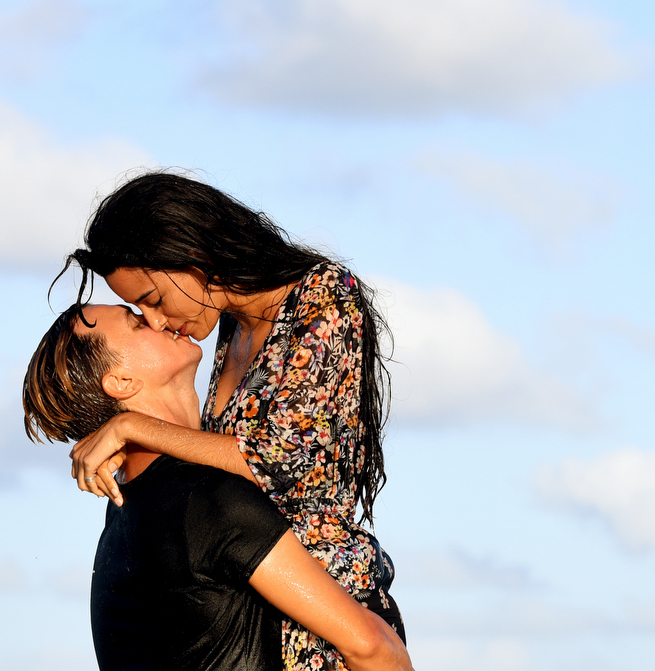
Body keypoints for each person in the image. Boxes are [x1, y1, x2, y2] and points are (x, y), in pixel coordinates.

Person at [58, 172, 403, 670]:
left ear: (190, 253)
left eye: (152, 301)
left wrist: (132, 427)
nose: (156, 320)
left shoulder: (323, 300)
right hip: (258, 619)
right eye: (139, 311)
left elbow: (275, 461)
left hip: (333, 633)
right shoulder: (231, 327)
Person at [22, 302, 413, 671]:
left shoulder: (126, 514)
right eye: (137, 322)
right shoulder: (204, 499)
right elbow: (371, 647)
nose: (158, 319)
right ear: (121, 382)